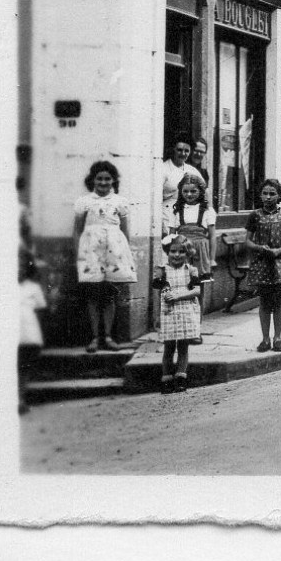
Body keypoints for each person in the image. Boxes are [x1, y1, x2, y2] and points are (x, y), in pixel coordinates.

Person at [73, 160, 137, 352]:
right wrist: (78, 252)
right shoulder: (84, 202)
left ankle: (108, 337)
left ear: (113, 181)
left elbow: (125, 232)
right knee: (92, 294)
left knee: (109, 294)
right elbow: (77, 230)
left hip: (114, 252)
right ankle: (94, 338)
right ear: (92, 180)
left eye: (107, 179)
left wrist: (123, 256)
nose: (103, 183)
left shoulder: (120, 202)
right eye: (99, 179)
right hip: (91, 252)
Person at [243, 179, 281, 353]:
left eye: (272, 193)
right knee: (264, 301)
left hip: (280, 262)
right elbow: (248, 241)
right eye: (265, 193)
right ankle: (265, 338)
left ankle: (278, 338)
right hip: (262, 262)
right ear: (260, 195)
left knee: (278, 300)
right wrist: (260, 248)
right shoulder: (255, 216)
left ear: (279, 196)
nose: (268, 197)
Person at [150, 234, 204, 392]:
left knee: (183, 346)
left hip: (186, 310)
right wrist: (156, 315)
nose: (177, 255)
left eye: (181, 252)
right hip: (169, 312)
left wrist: (179, 295)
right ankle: (166, 378)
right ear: (167, 252)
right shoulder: (163, 271)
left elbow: (197, 290)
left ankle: (181, 377)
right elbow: (158, 290)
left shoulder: (191, 270)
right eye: (173, 251)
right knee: (168, 347)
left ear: (187, 254)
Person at [162, 174, 216, 282]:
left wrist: (212, 259)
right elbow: (171, 236)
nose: (189, 194)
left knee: (199, 284)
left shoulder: (207, 211)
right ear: (180, 192)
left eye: (193, 191)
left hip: (201, 253)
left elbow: (212, 236)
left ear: (200, 191)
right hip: (182, 252)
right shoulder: (176, 211)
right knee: (182, 283)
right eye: (185, 191)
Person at [18, 211, 45, 415]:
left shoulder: (32, 288)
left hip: (27, 335)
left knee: (22, 368)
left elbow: (40, 310)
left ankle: (20, 398)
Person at [160, 134, 201, 209]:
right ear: (173, 149)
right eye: (179, 150)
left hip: (188, 215)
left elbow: (204, 191)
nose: (183, 154)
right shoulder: (163, 169)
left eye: (186, 151)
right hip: (167, 213)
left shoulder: (192, 170)